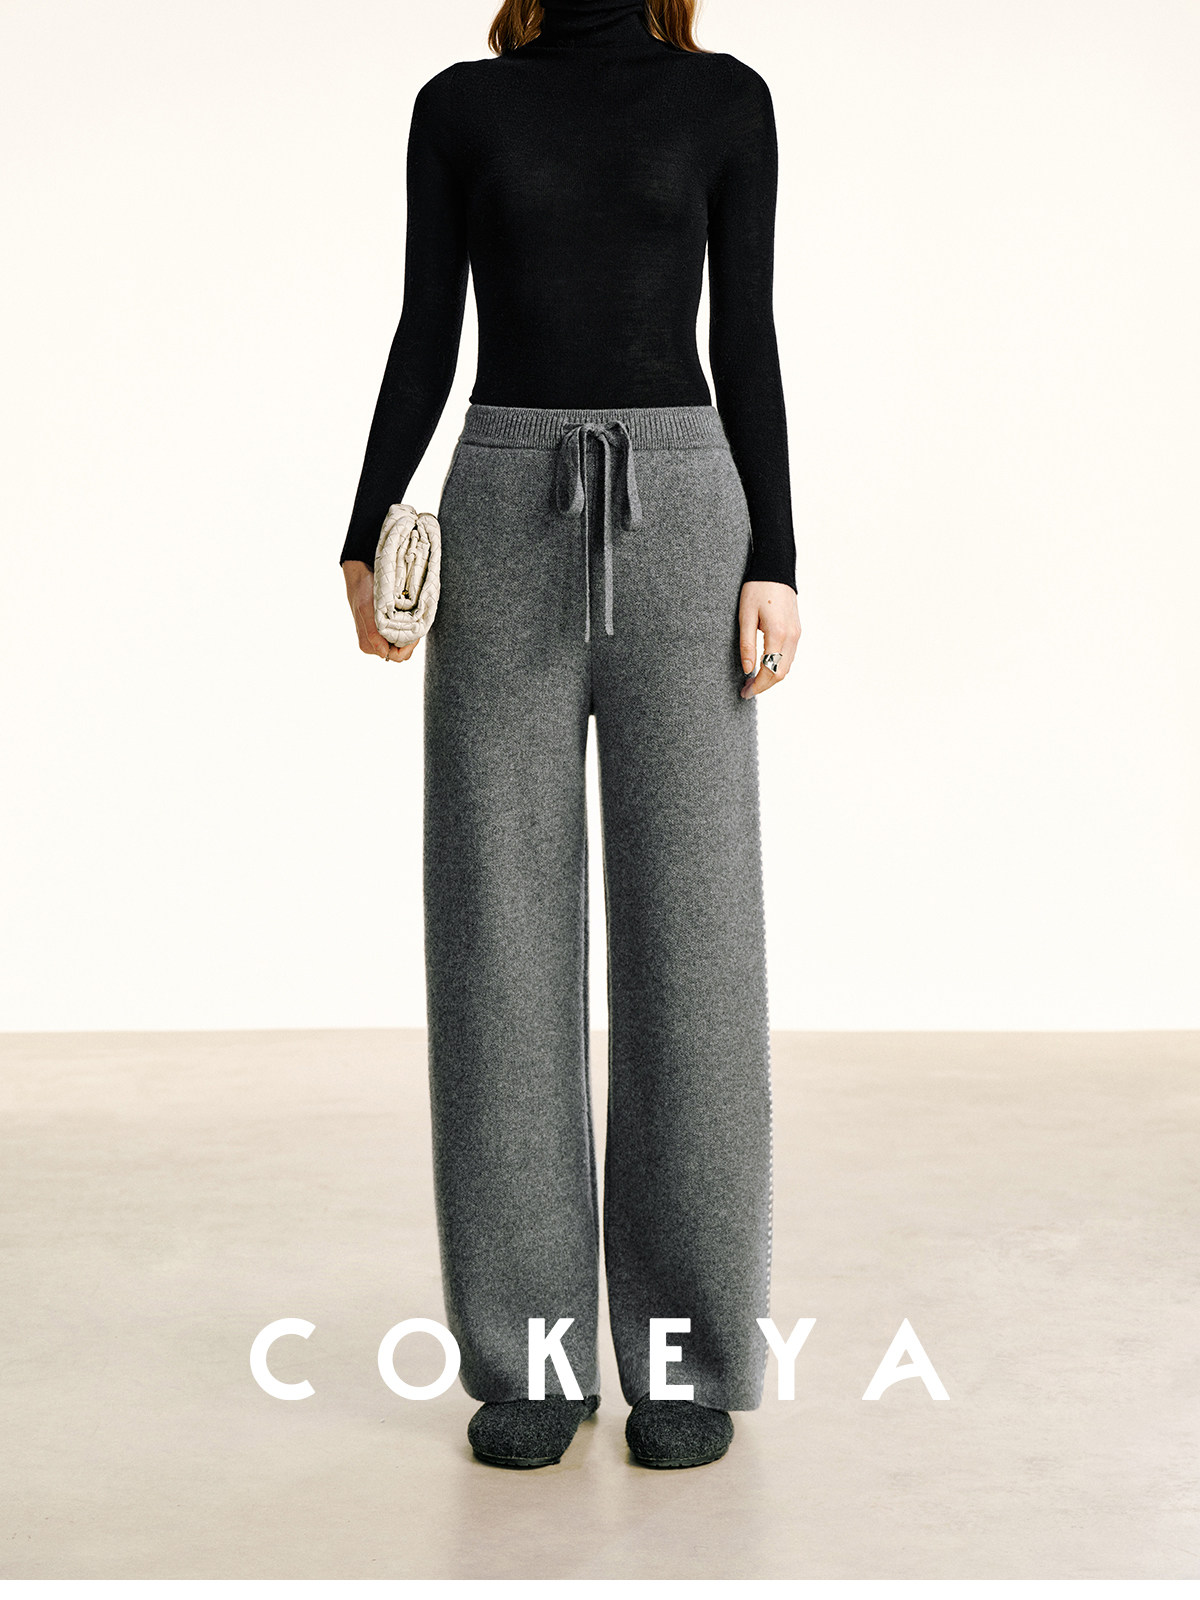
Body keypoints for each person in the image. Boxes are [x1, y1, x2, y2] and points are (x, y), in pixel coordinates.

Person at [339, 0, 801, 1471]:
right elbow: (427, 326)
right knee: (498, 930)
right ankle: (532, 1356)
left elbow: (746, 333)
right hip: (500, 505)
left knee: (693, 937)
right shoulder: (459, 108)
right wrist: (367, 523)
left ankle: (683, 1357)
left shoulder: (725, 100)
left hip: (685, 515)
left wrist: (777, 558)